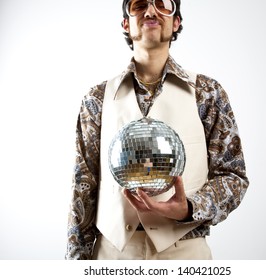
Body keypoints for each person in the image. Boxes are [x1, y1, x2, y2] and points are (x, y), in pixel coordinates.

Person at [66, 0, 249, 260]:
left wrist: (190, 208)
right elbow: (83, 186)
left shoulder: (207, 93)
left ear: (176, 22)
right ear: (126, 24)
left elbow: (233, 176)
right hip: (113, 255)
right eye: (139, 5)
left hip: (185, 254)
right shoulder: (96, 98)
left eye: (163, 5)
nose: (151, 11)